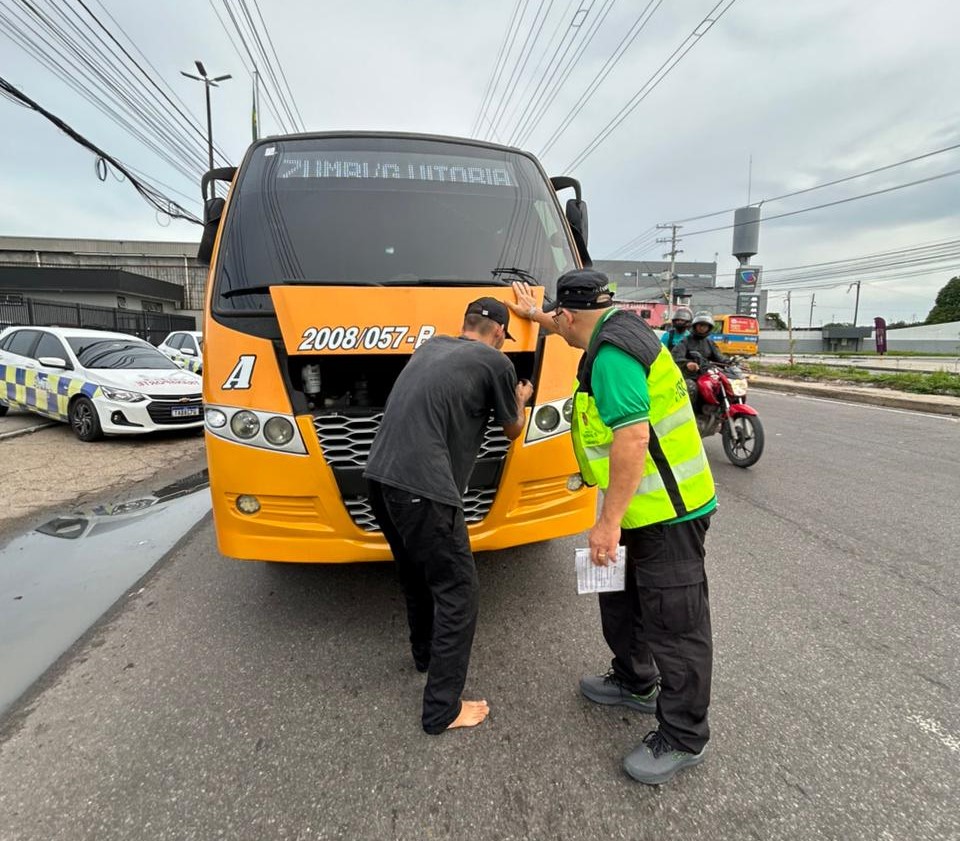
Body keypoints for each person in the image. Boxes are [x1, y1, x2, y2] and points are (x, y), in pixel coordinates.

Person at [507, 270, 717, 785]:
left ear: (570, 315)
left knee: (675, 626)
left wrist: (607, 523)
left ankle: (684, 737)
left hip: (668, 512)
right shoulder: (612, 325)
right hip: (640, 510)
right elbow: (561, 325)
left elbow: (633, 438)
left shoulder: (613, 356)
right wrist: (532, 314)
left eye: (557, 318)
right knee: (621, 600)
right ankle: (634, 681)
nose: (555, 325)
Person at [364, 297, 533, 735]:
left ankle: (424, 656)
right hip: (425, 490)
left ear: (465, 323)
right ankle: (442, 710)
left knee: (416, 574)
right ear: (499, 332)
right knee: (459, 592)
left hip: (379, 479)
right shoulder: (496, 362)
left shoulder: (430, 347)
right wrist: (520, 399)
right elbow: (512, 429)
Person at [671, 311, 729, 401]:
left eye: (705, 326)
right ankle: (691, 410)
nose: (702, 328)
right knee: (691, 387)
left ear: (709, 327)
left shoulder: (709, 342)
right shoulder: (686, 341)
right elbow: (675, 357)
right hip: (690, 375)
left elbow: (720, 358)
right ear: (695, 326)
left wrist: (732, 362)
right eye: (700, 325)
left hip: (707, 374)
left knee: (723, 385)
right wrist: (687, 364)